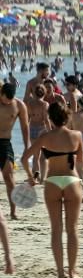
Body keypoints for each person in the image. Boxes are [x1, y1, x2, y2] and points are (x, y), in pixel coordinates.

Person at [20, 101, 83, 278]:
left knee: (56, 229)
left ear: (50, 118)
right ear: (67, 117)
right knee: (72, 229)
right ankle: (72, 272)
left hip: (52, 182)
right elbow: (79, 163)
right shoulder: (76, 135)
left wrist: (32, 177)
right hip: (72, 181)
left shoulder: (45, 137)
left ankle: (60, 272)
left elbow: (25, 158)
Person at [0, 82, 28, 219]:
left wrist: (27, 147)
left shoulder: (19, 105)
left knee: (9, 178)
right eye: (5, 99)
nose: (7, 102)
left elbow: (24, 127)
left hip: (5, 144)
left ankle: (13, 211)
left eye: (10, 100)